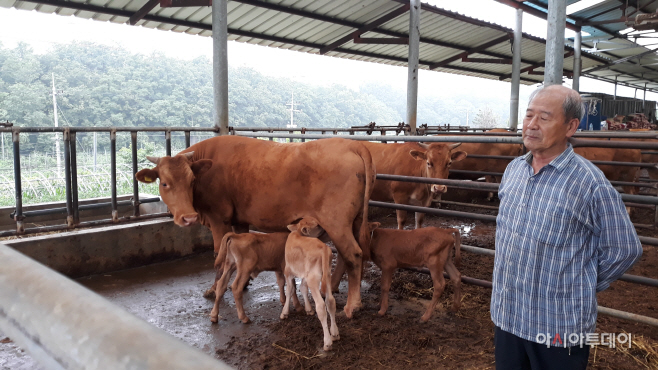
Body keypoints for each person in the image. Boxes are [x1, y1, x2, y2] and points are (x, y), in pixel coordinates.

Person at [491, 85, 643, 370]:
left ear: (571, 126)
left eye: (544, 118)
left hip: (557, 326)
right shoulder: (513, 170)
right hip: (508, 315)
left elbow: (624, 249)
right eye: (528, 116)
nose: (532, 125)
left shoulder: (589, 183)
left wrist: (579, 285)